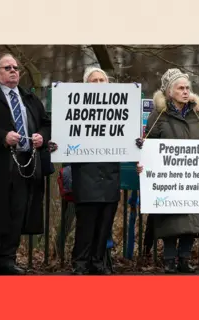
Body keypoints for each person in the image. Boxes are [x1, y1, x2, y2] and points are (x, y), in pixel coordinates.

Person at [136, 68, 199, 274]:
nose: (185, 91)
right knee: (171, 216)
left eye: (187, 88)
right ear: (169, 91)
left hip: (193, 177)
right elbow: (150, 143)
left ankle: (184, 258)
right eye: (180, 88)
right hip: (169, 176)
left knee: (191, 214)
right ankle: (169, 259)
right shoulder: (159, 115)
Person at [0, 53, 51, 275]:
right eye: (7, 67)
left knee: (17, 213)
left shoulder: (28, 97)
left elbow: (47, 123)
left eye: (15, 67)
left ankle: (7, 260)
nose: (13, 70)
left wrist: (41, 137)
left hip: (25, 165)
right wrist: (1, 136)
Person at [70, 66, 121, 275]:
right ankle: (80, 264)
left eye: (102, 80)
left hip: (109, 174)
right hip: (86, 173)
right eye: (94, 81)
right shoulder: (74, 108)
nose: (99, 84)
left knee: (105, 223)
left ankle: (98, 263)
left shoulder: (119, 109)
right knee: (86, 223)